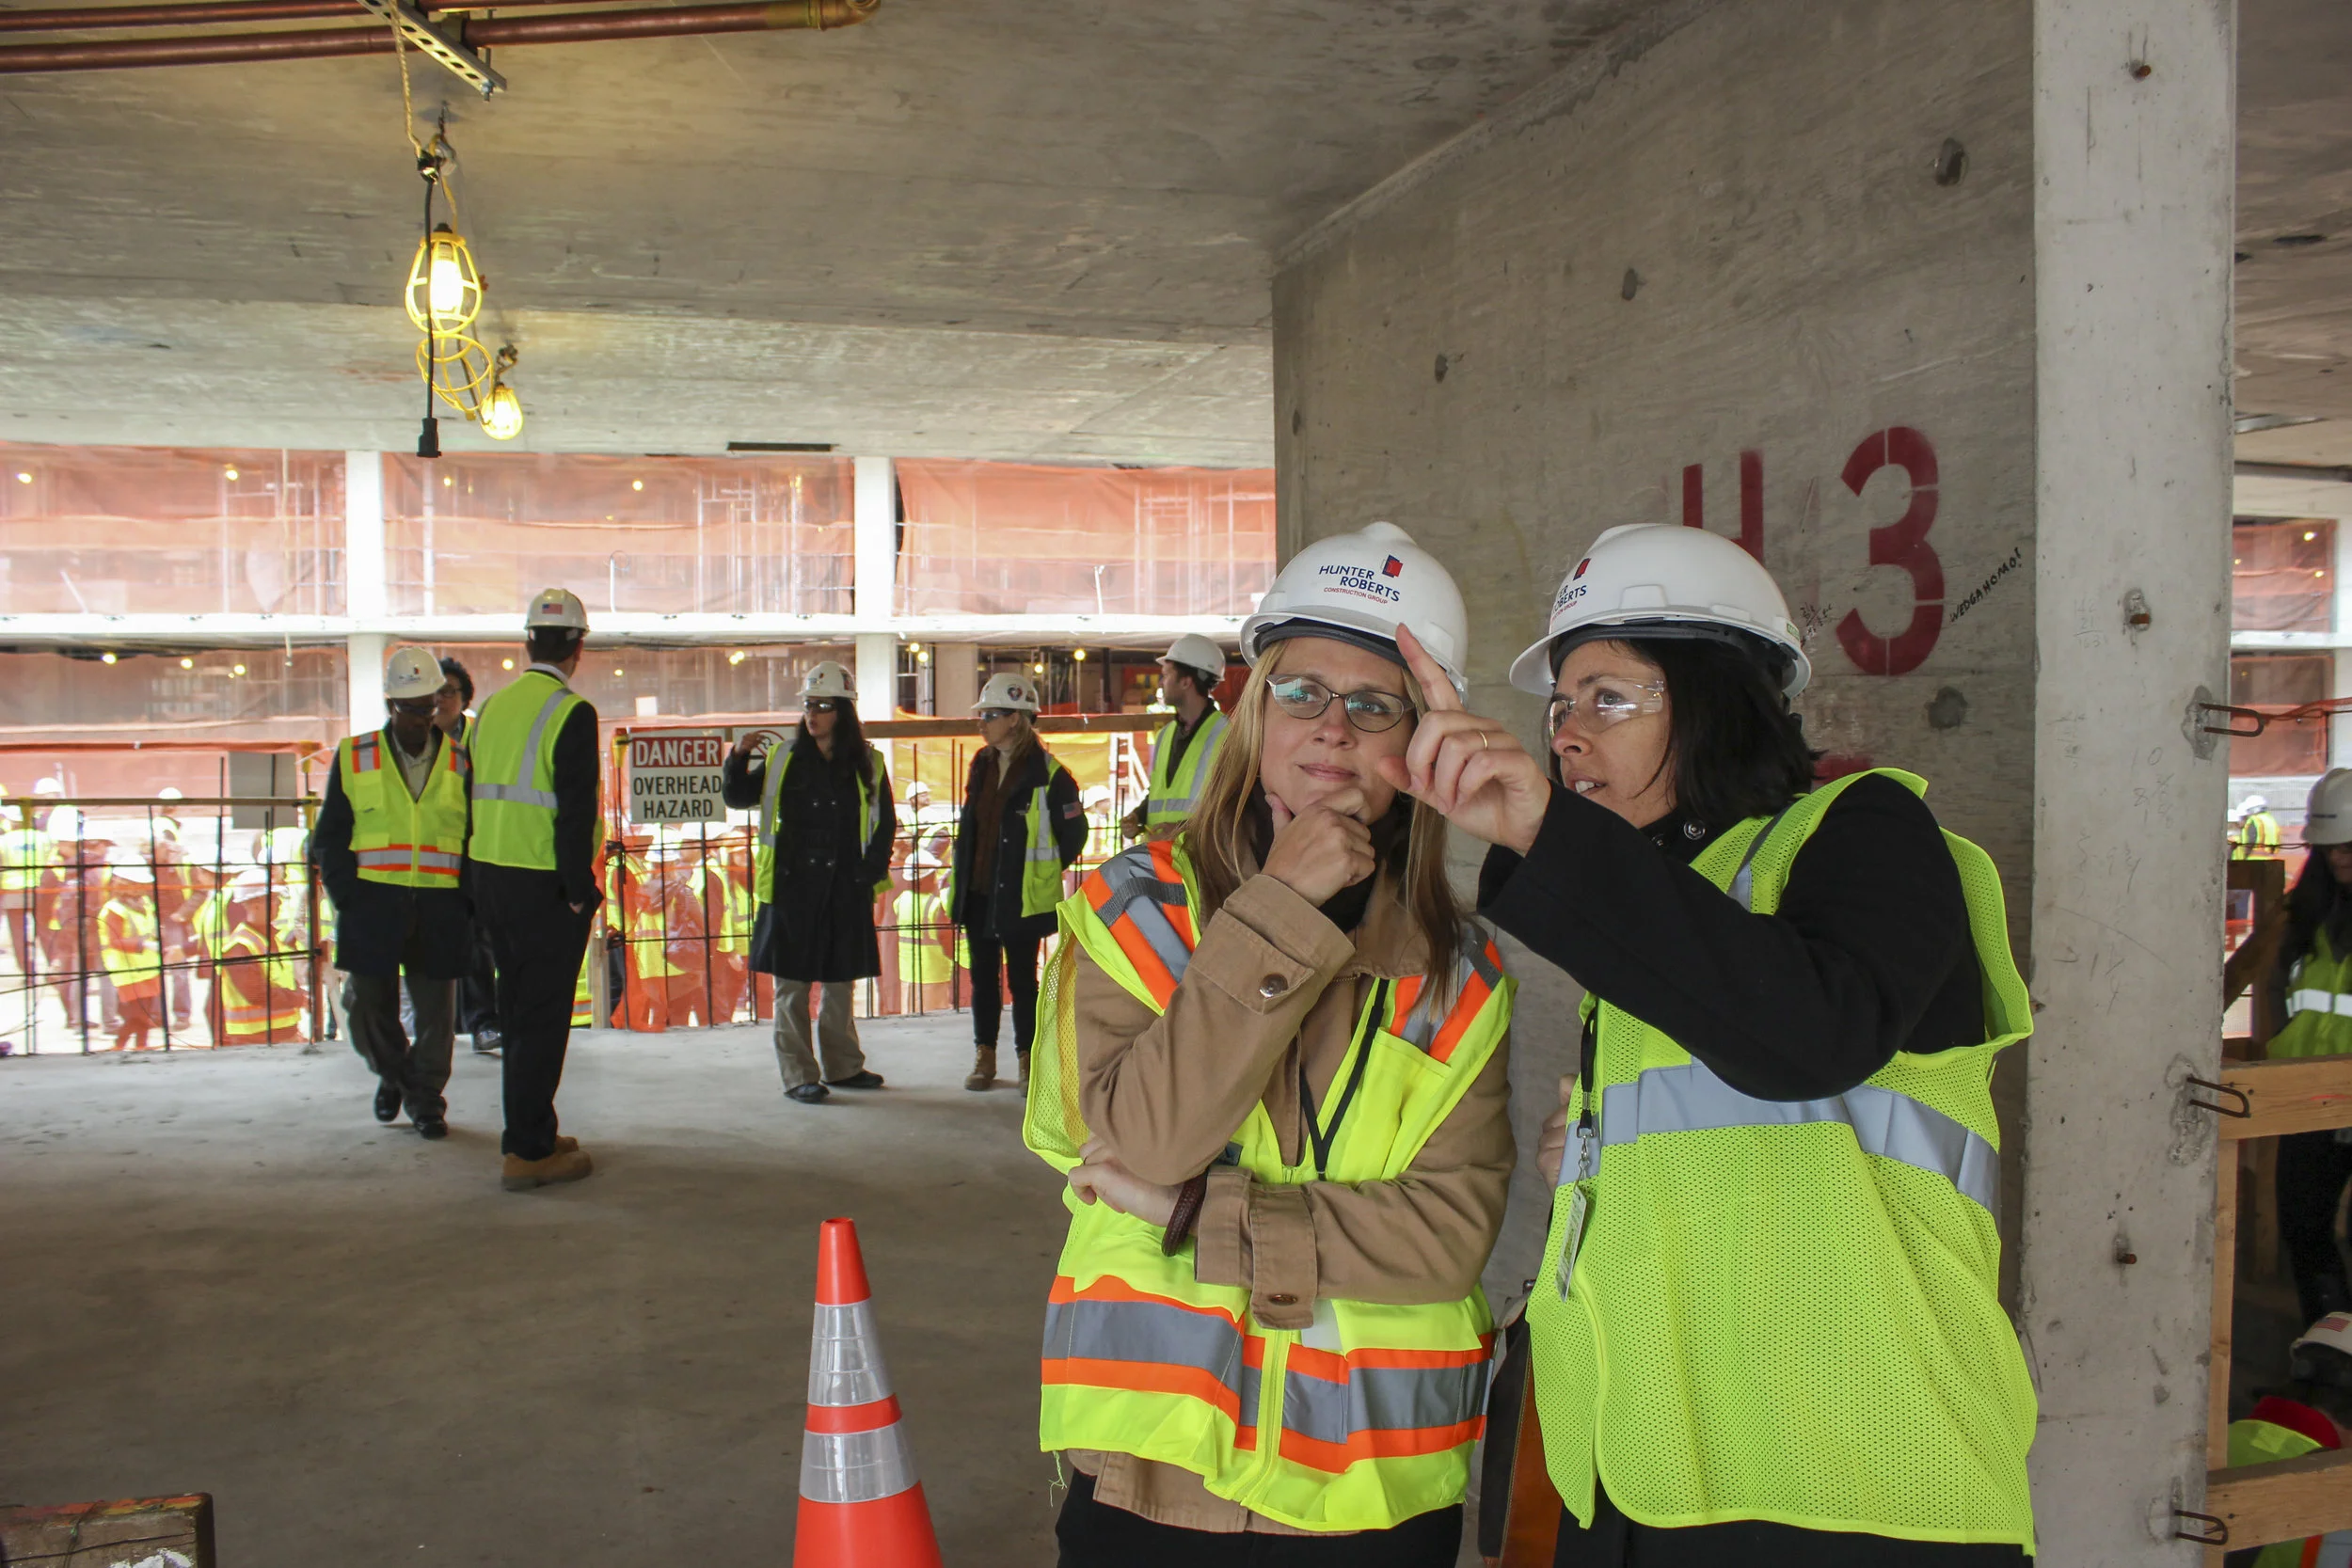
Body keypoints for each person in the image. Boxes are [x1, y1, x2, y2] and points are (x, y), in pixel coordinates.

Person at [1384, 522, 2036, 1563]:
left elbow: (1808, 1037)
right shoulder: (1663, 919)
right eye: (1559, 707)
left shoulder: (1861, 830)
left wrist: (1549, 833)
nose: (1566, 734)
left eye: (1608, 697)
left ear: (1720, 697)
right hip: (1647, 1484)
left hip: (1853, 1495)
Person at [1027, 520, 1515, 1562]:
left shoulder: (1458, 972)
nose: (1332, 729)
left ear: (1419, 744)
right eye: (1302, 692)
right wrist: (1281, 907)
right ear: (1252, 708)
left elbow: (1445, 1238)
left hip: (1369, 1501)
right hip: (1155, 1482)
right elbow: (1148, 1138)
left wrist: (1198, 1215)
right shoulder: (1131, 909)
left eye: (1374, 703)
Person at [309, 645, 474, 1139]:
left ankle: (427, 1102)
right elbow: (329, 837)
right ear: (391, 705)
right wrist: (348, 898)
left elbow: (473, 836)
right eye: (414, 709)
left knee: (435, 1018)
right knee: (365, 1007)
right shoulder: (354, 756)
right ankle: (395, 1076)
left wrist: (468, 900)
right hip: (373, 903)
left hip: (440, 903)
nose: (424, 719)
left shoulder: (463, 762)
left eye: (431, 708)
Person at [468, 587, 601, 1192]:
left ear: (528, 643)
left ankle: (530, 1130)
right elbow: (574, 813)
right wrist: (579, 891)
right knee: (544, 1019)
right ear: (578, 646)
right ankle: (527, 1152)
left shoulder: (492, 709)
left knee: (517, 1011)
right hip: (542, 885)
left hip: (490, 877)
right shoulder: (571, 713)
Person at [721, 660, 896, 1103]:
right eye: (807, 705)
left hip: (843, 889)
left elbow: (884, 826)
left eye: (821, 705)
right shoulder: (785, 758)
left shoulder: (868, 763)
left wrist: (866, 875)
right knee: (792, 988)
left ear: (843, 711)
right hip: (791, 889)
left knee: (840, 984)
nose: (811, 714)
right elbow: (739, 797)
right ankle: (799, 1074)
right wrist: (738, 759)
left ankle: (842, 1066)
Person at [950, 673, 1085, 1092]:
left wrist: (1043, 871)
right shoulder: (981, 764)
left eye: (990, 715)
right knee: (983, 979)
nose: (982, 722)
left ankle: (1028, 1061)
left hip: (1022, 899)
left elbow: (1074, 833)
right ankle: (984, 1056)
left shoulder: (1050, 775)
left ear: (1016, 719)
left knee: (1024, 982)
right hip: (978, 892)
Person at [2265, 768, 2352, 1323]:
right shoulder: (2304, 921)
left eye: (2350, 846)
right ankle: (2327, 1350)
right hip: (2307, 1099)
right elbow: (2279, 993)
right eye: (2330, 849)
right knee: (2302, 1225)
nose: (2340, 857)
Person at [439, 654, 501, 1055]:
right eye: (432, 692)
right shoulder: (408, 739)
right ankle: (439, 1029)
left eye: (448, 692)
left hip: (477, 850)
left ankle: (482, 1023)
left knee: (480, 940)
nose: (439, 700)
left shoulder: (482, 738)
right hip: (427, 854)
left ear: (464, 699)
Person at [1122, 633, 1230, 841]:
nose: (1161, 683)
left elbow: (1232, 807)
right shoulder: (1165, 735)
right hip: (1159, 859)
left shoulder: (1227, 735)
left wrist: (1183, 829)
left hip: (1199, 860)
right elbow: (1159, 795)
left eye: (1167, 675)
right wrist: (1138, 816)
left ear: (1186, 682)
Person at [98, 856, 164, 1051]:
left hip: (147, 966)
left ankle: (141, 1045)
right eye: (139, 884)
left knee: (146, 1010)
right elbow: (114, 941)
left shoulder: (144, 903)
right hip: (127, 968)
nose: (144, 888)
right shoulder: (114, 909)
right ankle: (119, 1045)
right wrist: (145, 946)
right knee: (137, 1013)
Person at [2236, 794, 2283, 861]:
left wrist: (2245, 854)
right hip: (2271, 858)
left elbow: (2251, 839)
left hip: (2254, 859)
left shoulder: (2254, 820)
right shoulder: (2270, 819)